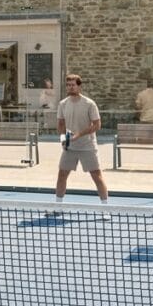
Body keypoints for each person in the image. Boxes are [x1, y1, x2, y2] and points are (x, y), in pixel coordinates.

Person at [52, 74, 110, 219]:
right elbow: (61, 124)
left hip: (87, 146)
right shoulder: (63, 104)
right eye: (68, 85)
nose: (70, 87)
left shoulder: (89, 104)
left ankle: (105, 209)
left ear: (79, 86)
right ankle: (58, 207)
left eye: (73, 85)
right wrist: (63, 138)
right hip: (70, 147)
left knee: (96, 175)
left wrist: (78, 135)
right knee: (62, 174)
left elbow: (97, 125)